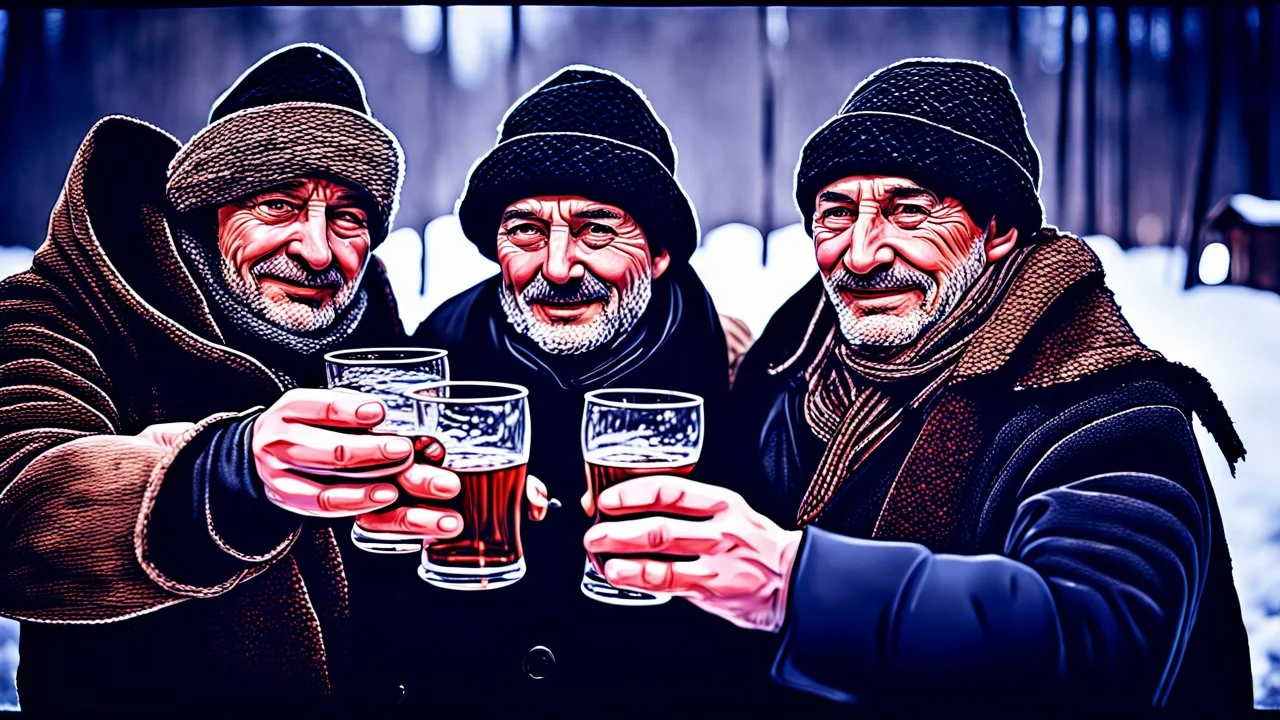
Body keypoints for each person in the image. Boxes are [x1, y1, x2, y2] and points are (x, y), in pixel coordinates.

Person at [586, 58, 1254, 714]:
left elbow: (1095, 644)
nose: (861, 252)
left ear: (995, 231)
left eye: (909, 210)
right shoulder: (791, 362)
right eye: (836, 213)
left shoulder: (1102, 403)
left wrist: (795, 584)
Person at [0, 44, 549, 714]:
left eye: (347, 217)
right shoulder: (61, 308)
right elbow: (19, 506)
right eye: (278, 205)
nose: (318, 250)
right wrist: (226, 475)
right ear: (209, 209)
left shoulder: (377, 347)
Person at [387, 65, 736, 713]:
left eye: (596, 229)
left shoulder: (740, 376)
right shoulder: (436, 355)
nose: (556, 266)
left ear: (660, 254)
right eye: (524, 230)